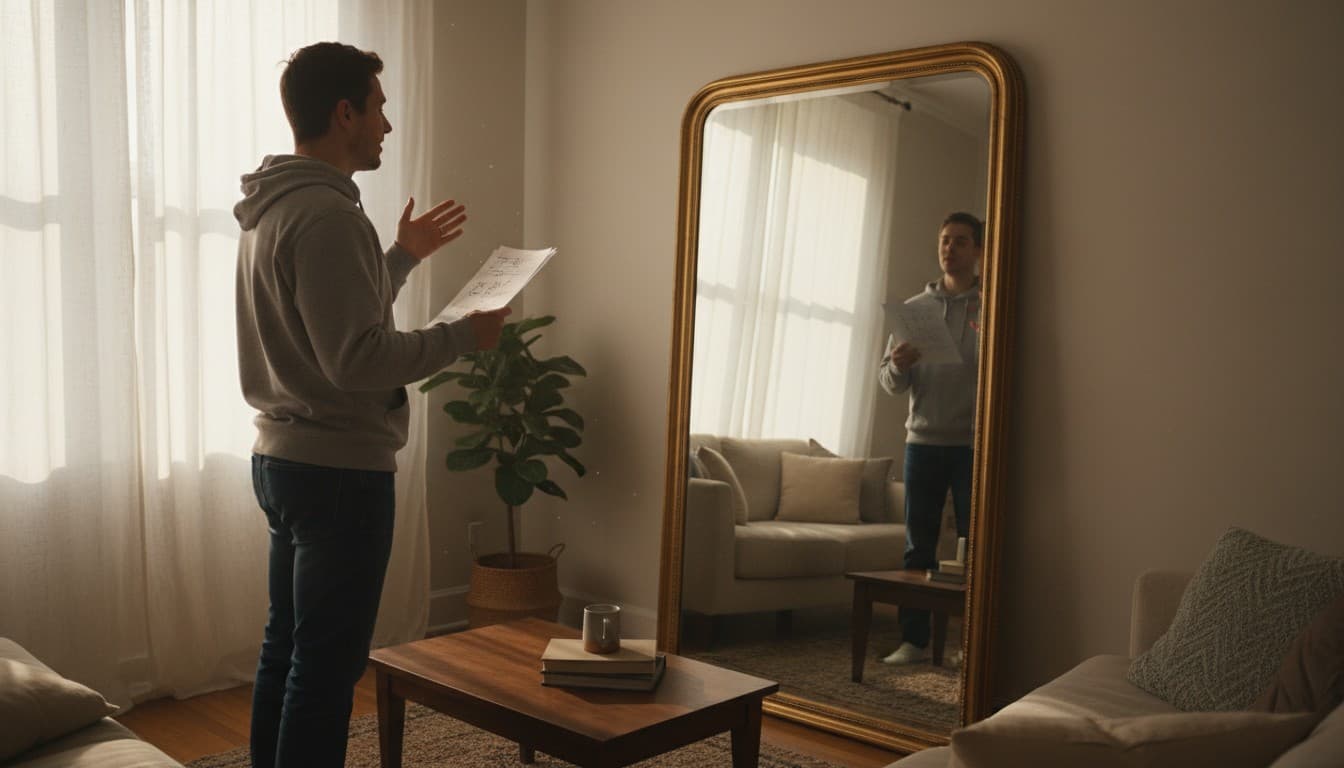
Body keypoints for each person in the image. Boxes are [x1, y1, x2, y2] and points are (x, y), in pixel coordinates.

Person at [233, 42, 509, 768]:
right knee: (323, 672)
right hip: (338, 474)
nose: (387, 124)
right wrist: (464, 335)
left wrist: (402, 257)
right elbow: (356, 360)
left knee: (287, 652)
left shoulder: (275, 208)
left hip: (286, 459)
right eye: (379, 107)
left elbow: (329, 323)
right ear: (344, 112)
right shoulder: (326, 216)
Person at [877, 212, 983, 665]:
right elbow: (888, 380)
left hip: (974, 446)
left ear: (977, 251)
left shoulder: (992, 306)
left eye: (960, 241)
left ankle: (968, 645)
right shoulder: (914, 310)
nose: (949, 248)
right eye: (944, 240)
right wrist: (898, 364)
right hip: (921, 442)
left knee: (973, 546)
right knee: (918, 545)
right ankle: (914, 641)